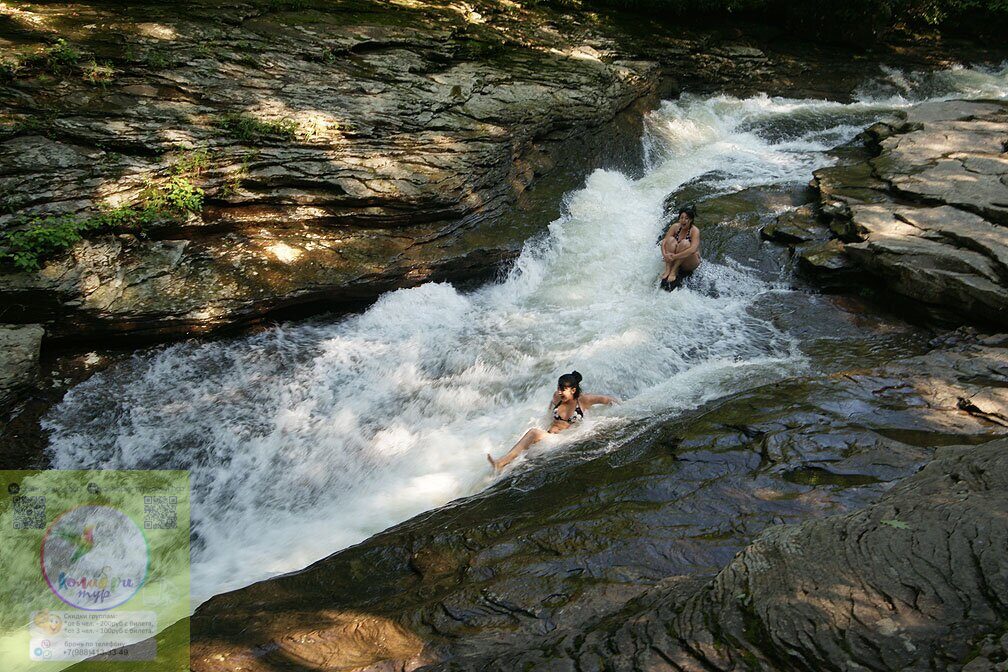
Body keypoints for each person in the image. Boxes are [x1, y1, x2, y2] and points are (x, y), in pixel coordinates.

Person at [486, 371, 618, 472]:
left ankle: (501, 463)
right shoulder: (557, 397)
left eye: (563, 389)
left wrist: (622, 406)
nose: (559, 392)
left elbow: (606, 399)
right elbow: (549, 414)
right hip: (549, 437)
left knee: (533, 433)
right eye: (558, 388)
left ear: (573, 390)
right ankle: (505, 463)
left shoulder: (584, 400)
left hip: (564, 439)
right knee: (531, 441)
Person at [659, 203, 701, 291]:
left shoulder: (695, 231)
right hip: (674, 257)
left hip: (689, 261)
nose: (683, 220)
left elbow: (692, 250)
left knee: (685, 243)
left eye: (686, 218)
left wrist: (674, 256)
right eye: (681, 218)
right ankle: (668, 270)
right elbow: (664, 242)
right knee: (670, 240)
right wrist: (665, 255)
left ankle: (674, 270)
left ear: (691, 220)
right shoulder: (675, 227)